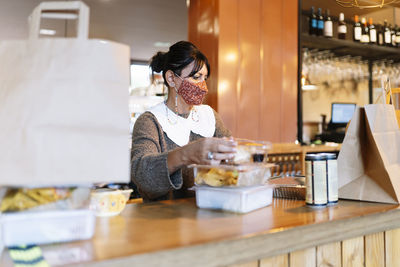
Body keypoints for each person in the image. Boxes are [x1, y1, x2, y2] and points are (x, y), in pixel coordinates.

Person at [131, 41, 236, 202]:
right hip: (163, 220)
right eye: (196, 77)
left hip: (207, 214)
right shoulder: (150, 121)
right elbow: (143, 177)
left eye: (205, 78)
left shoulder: (209, 117)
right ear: (171, 78)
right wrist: (186, 154)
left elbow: (233, 158)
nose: (203, 86)